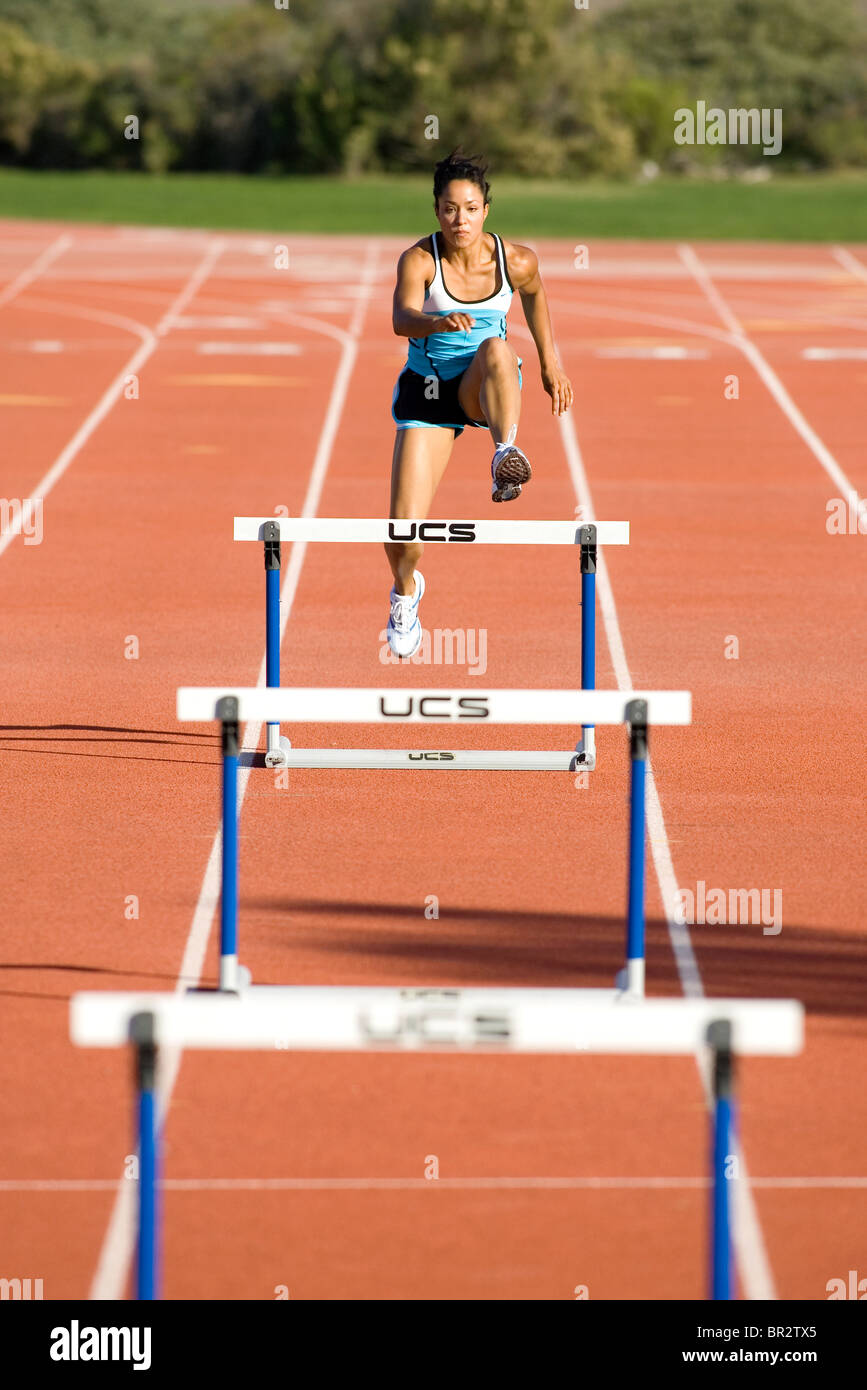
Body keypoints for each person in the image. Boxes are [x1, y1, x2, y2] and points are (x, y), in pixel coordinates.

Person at [386, 147, 574, 658]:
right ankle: (406, 592)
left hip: (480, 385)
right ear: (436, 210)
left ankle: (503, 453)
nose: (459, 220)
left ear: (485, 210)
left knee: (496, 348)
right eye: (450, 208)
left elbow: (534, 294)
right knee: (402, 532)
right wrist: (436, 321)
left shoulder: (515, 260)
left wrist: (549, 362)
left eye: (470, 208)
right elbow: (402, 318)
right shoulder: (420, 259)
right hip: (429, 391)